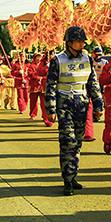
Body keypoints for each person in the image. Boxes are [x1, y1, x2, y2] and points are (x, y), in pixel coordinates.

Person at [45, 26, 103, 196]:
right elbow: (50, 85)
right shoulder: (57, 60)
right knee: (68, 141)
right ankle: (68, 179)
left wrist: (98, 105)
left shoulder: (87, 59)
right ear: (69, 43)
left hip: (81, 103)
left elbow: (93, 83)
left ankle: (73, 174)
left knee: (77, 142)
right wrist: (50, 108)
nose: (82, 44)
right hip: (64, 104)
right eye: (78, 41)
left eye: (83, 41)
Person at [84, 46, 107, 140]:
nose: (97, 56)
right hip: (89, 84)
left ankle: (97, 112)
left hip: (99, 84)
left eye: (98, 54)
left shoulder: (104, 62)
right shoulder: (90, 62)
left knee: (98, 99)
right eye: (95, 54)